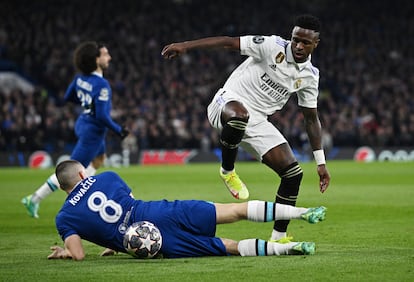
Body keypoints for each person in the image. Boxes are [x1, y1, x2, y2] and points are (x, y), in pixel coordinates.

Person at [161, 14, 331, 242]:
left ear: (315, 44)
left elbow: (311, 119)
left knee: (293, 174)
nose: (298, 46)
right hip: (228, 102)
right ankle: (228, 170)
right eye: (295, 39)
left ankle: (278, 237)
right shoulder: (271, 46)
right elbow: (228, 42)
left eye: (305, 42)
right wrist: (185, 46)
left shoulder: (310, 76)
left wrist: (320, 162)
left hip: (259, 120)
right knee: (240, 115)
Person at [47, 160, 327, 260]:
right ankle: (301, 212)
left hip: (152, 241)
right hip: (158, 212)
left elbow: (80, 255)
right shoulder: (106, 177)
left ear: (63, 188)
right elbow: (128, 203)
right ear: (83, 174)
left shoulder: (65, 217)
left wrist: (67, 252)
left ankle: (288, 249)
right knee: (233, 210)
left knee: (225, 246)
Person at [21, 41, 129, 218]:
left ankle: (85, 185)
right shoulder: (101, 85)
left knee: (100, 158)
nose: (109, 57)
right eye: (105, 54)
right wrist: (119, 130)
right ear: (96, 59)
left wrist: (86, 103)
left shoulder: (79, 78)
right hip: (93, 132)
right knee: (69, 171)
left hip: (83, 123)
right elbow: (102, 116)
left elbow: (67, 96)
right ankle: (34, 199)